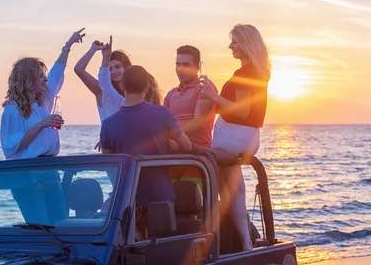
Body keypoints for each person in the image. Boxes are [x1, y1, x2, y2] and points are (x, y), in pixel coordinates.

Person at [0, 28, 85, 224]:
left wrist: (68, 46)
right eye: (40, 76)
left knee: (61, 225)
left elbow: (56, 73)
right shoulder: (12, 110)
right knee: (41, 228)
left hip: (49, 170)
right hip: (27, 176)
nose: (45, 79)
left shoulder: (41, 103)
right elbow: (11, 146)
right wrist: (41, 125)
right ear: (28, 79)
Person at [199, 24, 271, 251]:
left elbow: (242, 111)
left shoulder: (244, 73)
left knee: (211, 170)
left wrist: (213, 96)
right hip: (247, 136)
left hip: (234, 134)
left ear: (247, 44)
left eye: (235, 42)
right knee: (233, 190)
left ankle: (241, 241)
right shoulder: (258, 72)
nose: (231, 46)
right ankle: (245, 242)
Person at [100, 65, 191, 240]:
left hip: (126, 200)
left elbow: (108, 164)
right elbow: (186, 146)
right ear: (147, 88)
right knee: (161, 251)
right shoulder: (162, 114)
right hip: (159, 197)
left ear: (123, 87)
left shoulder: (108, 124)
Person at [164, 45, 217, 149]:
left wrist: (174, 137)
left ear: (197, 67)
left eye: (186, 65)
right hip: (171, 148)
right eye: (177, 64)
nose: (180, 69)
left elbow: (199, 121)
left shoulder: (204, 86)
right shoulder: (171, 94)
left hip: (197, 151)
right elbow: (163, 122)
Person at [74, 40, 132, 122]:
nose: (113, 72)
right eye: (110, 69)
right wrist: (93, 49)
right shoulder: (102, 90)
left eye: (118, 67)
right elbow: (79, 69)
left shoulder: (135, 93)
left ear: (126, 67)